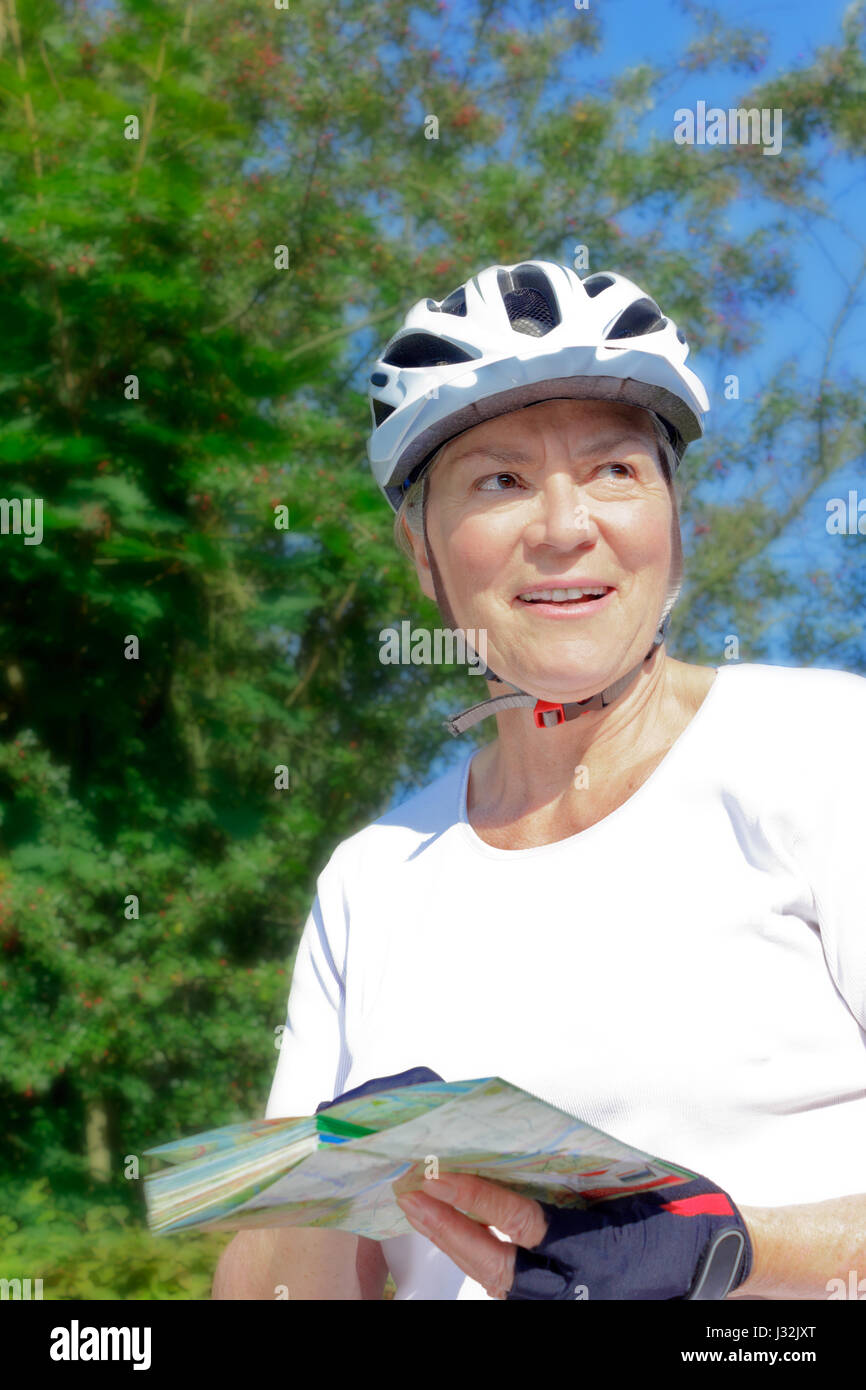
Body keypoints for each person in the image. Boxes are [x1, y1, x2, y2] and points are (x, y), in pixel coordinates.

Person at [213, 259, 866, 1301]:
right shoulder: (371, 879)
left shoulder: (826, 754)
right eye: (498, 481)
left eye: (613, 470)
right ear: (421, 553)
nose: (565, 526)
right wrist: (333, 1164)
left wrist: (717, 1245)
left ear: (671, 518)